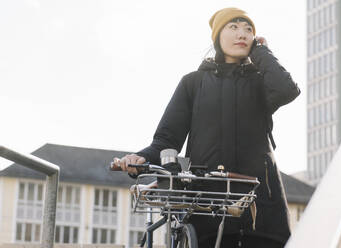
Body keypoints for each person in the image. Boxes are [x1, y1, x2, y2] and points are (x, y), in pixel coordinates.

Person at [112, 7, 301, 248]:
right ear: (217, 37)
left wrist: (262, 52)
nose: (242, 33)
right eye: (233, 27)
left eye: (248, 29)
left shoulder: (260, 81)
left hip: (262, 199)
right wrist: (140, 158)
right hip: (207, 198)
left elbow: (287, 90)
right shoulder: (193, 83)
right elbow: (167, 140)